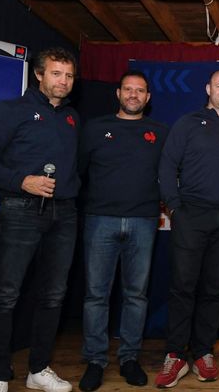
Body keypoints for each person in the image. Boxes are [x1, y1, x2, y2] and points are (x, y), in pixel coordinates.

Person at [0, 48, 79, 392]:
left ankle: (39, 369)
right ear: (39, 75)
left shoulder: (73, 118)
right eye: (56, 74)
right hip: (20, 210)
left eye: (69, 76)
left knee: (53, 296)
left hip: (64, 214)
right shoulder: (10, 110)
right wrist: (22, 181)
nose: (63, 81)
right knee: (5, 295)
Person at [154, 69, 219, 388]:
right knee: (183, 286)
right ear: (208, 89)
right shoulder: (188, 123)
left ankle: (203, 352)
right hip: (191, 215)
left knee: (214, 288)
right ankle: (174, 354)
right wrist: (175, 207)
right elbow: (168, 164)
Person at [77, 71, 168, 391]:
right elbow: (78, 172)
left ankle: (129, 358)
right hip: (100, 220)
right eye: (128, 90)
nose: (133, 95)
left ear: (148, 97)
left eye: (139, 91)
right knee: (96, 296)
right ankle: (95, 361)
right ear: (117, 93)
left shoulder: (160, 132)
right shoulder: (95, 128)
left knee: (136, 295)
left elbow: (169, 176)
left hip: (144, 222)